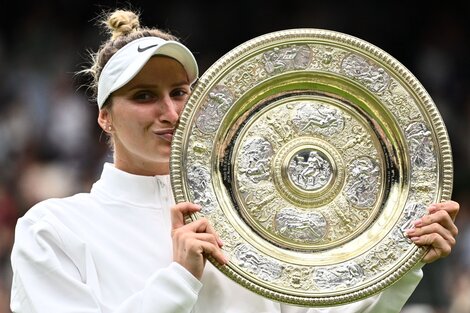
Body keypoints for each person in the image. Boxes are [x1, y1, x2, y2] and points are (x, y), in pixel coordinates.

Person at [10, 9, 460, 313]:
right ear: (104, 118)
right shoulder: (52, 228)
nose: (169, 113)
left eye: (180, 93)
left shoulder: (244, 215)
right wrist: (180, 278)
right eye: (144, 96)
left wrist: (402, 264)